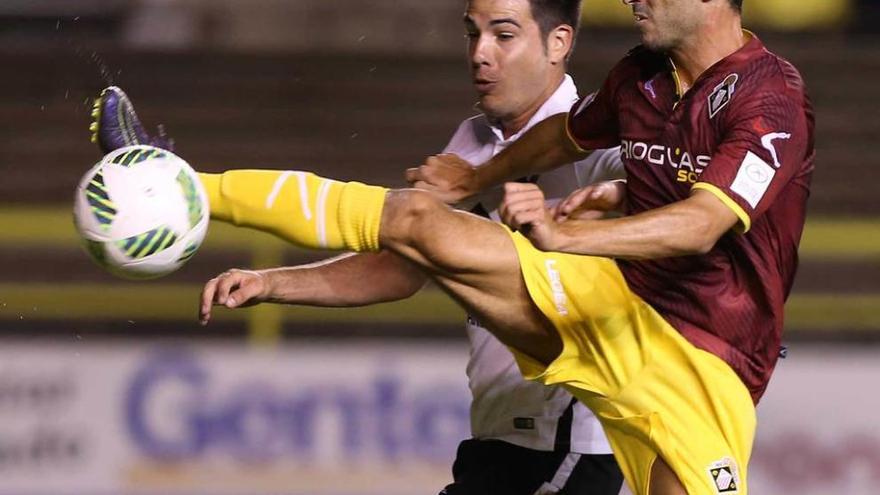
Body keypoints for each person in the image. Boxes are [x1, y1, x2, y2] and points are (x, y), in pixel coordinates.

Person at [90, 0, 814, 493]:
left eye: (503, 33)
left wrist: (580, 223)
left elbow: (697, 220)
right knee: (415, 218)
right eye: (471, 32)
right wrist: (281, 282)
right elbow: (404, 263)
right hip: (570, 360)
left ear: (557, 43)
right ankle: (185, 185)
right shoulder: (607, 96)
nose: (481, 53)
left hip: (634, 401)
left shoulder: (763, 94)